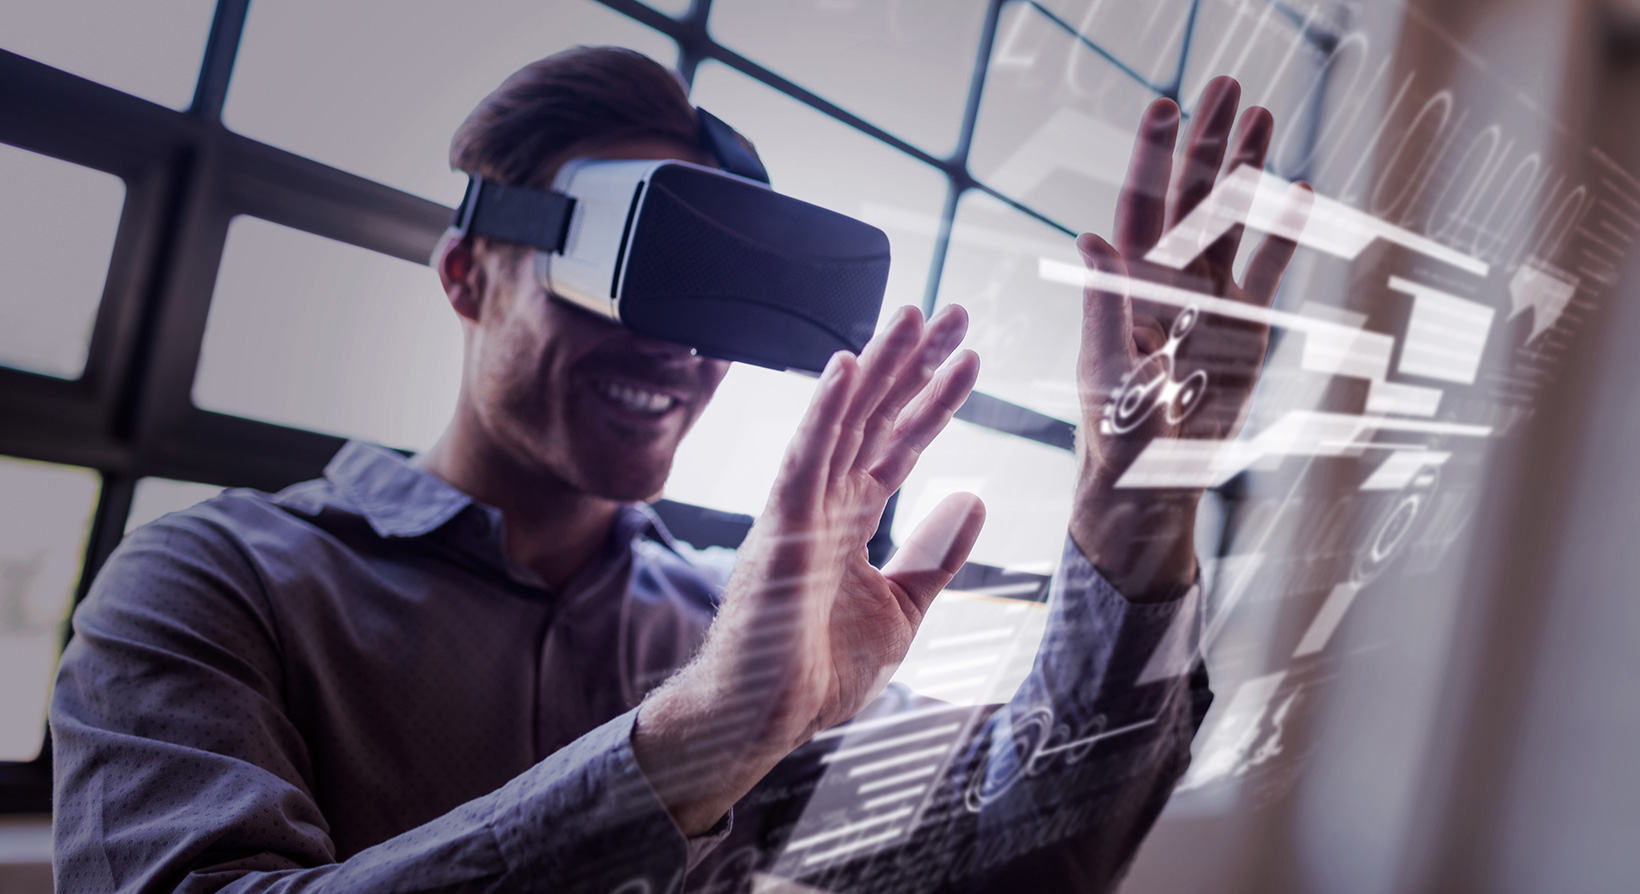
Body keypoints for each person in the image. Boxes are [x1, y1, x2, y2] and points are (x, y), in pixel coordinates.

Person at [49, 46, 1303, 893]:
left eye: (717, 296)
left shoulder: (743, 621)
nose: (673, 345)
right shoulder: (216, 583)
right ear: (467, 273)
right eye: (630, 264)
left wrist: (1140, 506)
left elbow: (1037, 849)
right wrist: (695, 744)